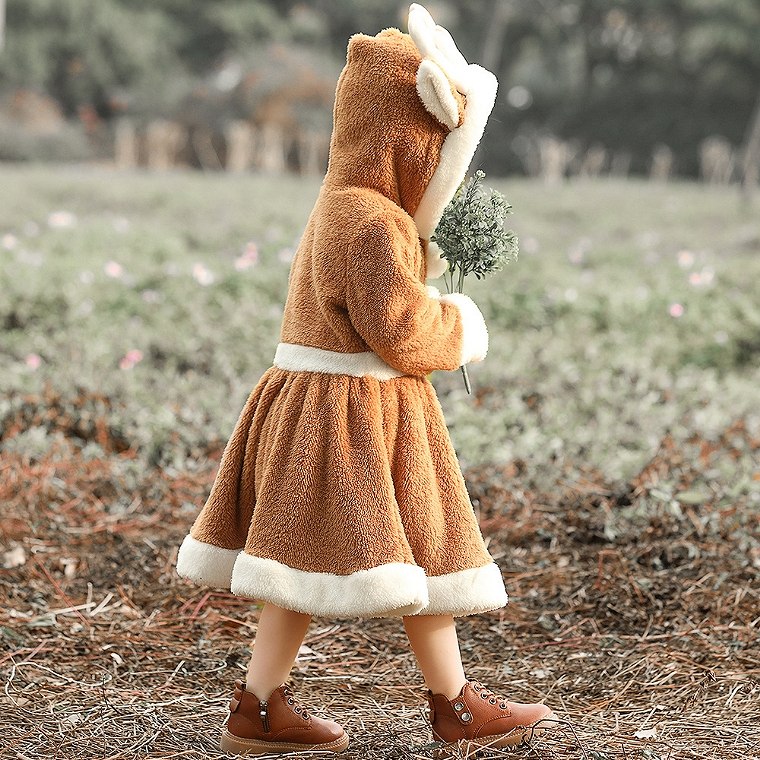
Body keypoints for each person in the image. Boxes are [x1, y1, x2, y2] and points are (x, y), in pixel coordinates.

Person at [176, 4, 556, 755]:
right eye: (438, 148)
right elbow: (400, 329)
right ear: (410, 140)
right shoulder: (370, 221)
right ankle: (443, 705)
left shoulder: (342, 206)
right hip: (352, 416)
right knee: (391, 551)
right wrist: (462, 327)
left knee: (339, 561)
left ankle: (279, 706)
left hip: (342, 407)